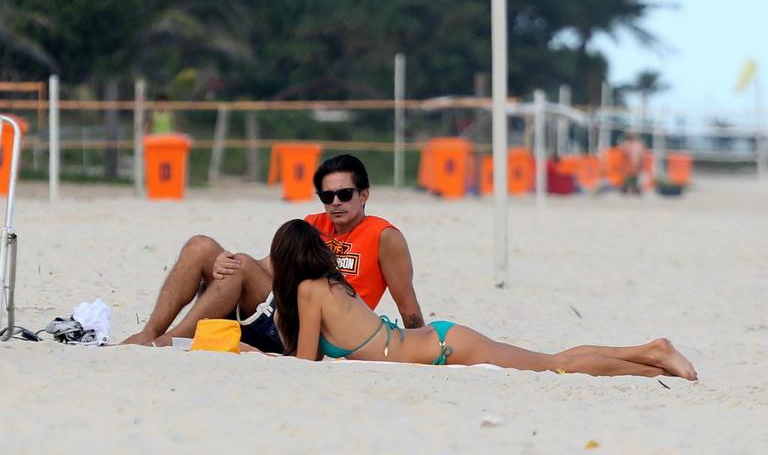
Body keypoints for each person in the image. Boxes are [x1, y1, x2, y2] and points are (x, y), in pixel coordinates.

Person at [270, 218, 698, 380]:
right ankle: (648, 363)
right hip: (438, 342)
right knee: (553, 361)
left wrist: (257, 349)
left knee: (556, 365)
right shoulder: (331, 284)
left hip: (444, 348)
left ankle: (652, 351)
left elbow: (306, 364)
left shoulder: (309, 292)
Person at [121, 154, 425, 351]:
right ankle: (149, 334)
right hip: (276, 313)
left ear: (364, 195)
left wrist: (420, 346)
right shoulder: (312, 224)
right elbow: (270, 265)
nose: (335, 202)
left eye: (344, 194)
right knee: (201, 246)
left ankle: (170, 341)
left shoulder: (384, 236)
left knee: (240, 266)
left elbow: (408, 305)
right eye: (327, 196)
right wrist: (223, 265)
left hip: (315, 332)